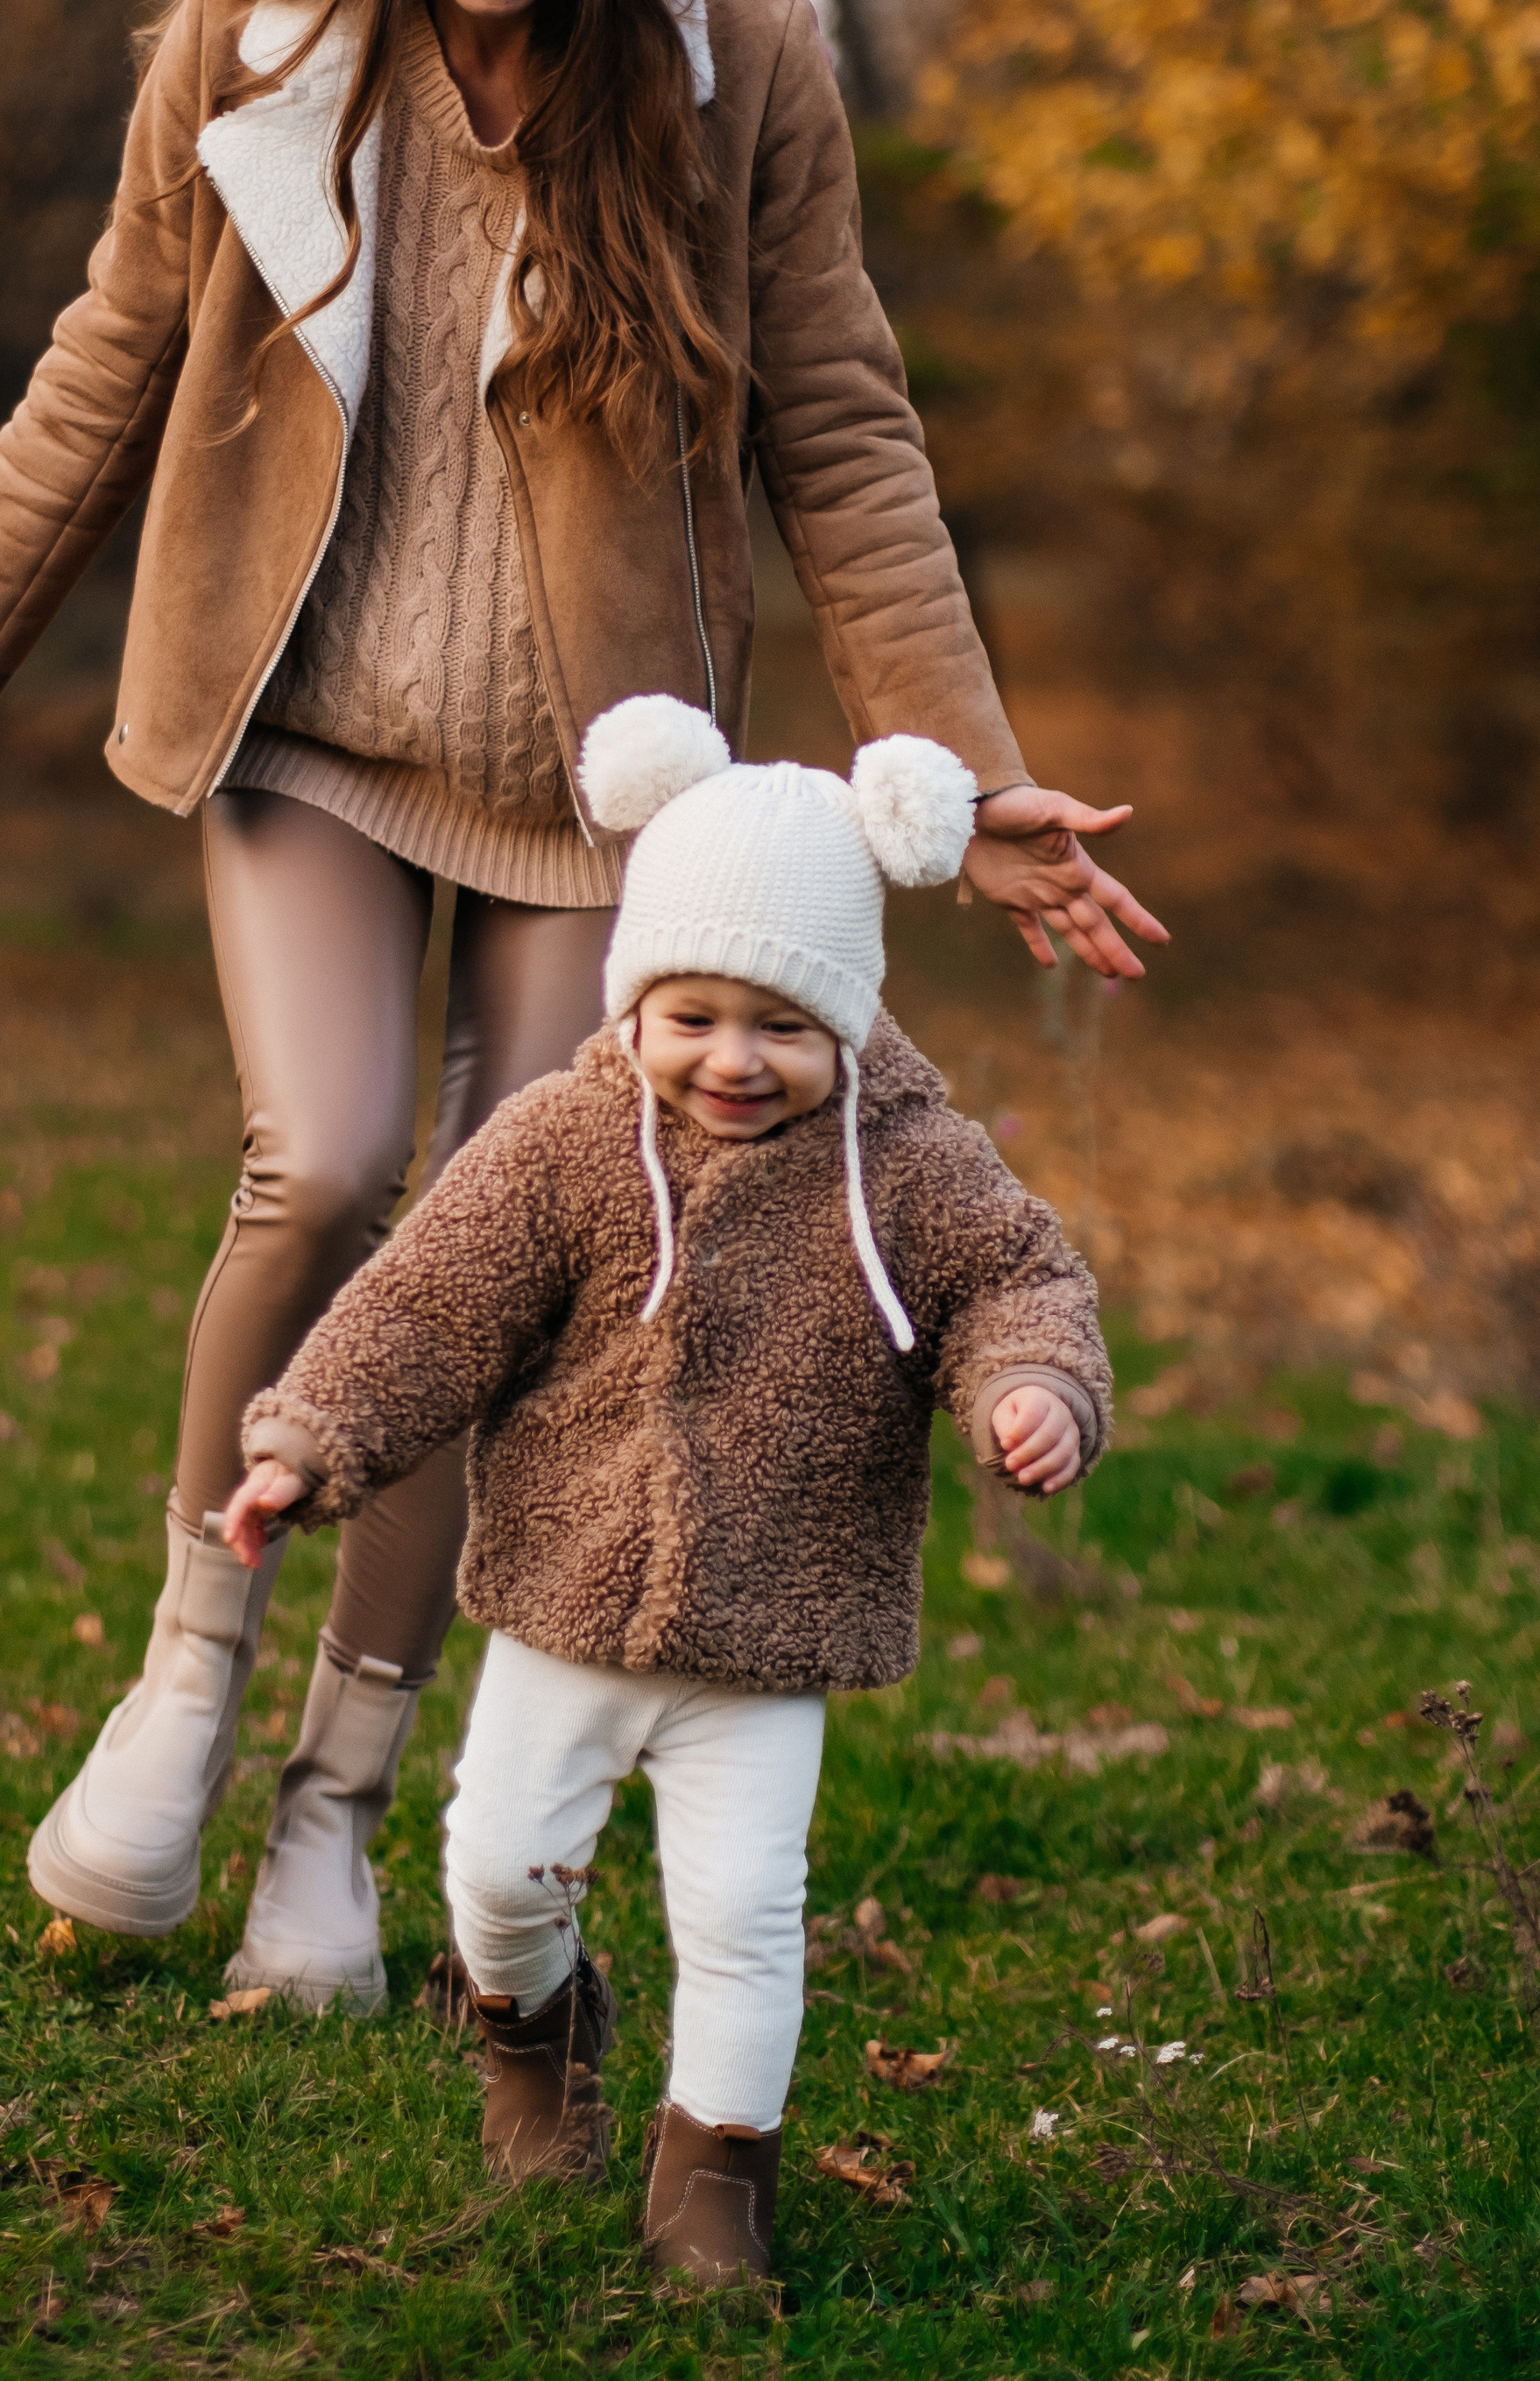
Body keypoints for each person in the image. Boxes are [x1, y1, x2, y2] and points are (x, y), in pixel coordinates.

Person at [0, 0, 1162, 2014]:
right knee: (333, 1162)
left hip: (614, 787)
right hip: (300, 732)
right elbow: (106, 362)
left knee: (505, 1259)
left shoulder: (740, 64)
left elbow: (843, 427)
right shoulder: (255, 31)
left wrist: (964, 764)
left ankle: (339, 1812)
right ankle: (183, 1687)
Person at [222, 696, 1112, 2289]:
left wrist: (1030, 1384)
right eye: (691, 1015)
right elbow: (428, 1305)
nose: (733, 1059)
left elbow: (1015, 1278)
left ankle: (716, 2183)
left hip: (775, 1622)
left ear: (846, 1020)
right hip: (566, 1598)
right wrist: (310, 1438)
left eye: (782, 1025)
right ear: (634, 999)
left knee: (746, 1919)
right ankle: (538, 2029)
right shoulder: (559, 1144)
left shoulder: (908, 1159)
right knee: (496, 1870)